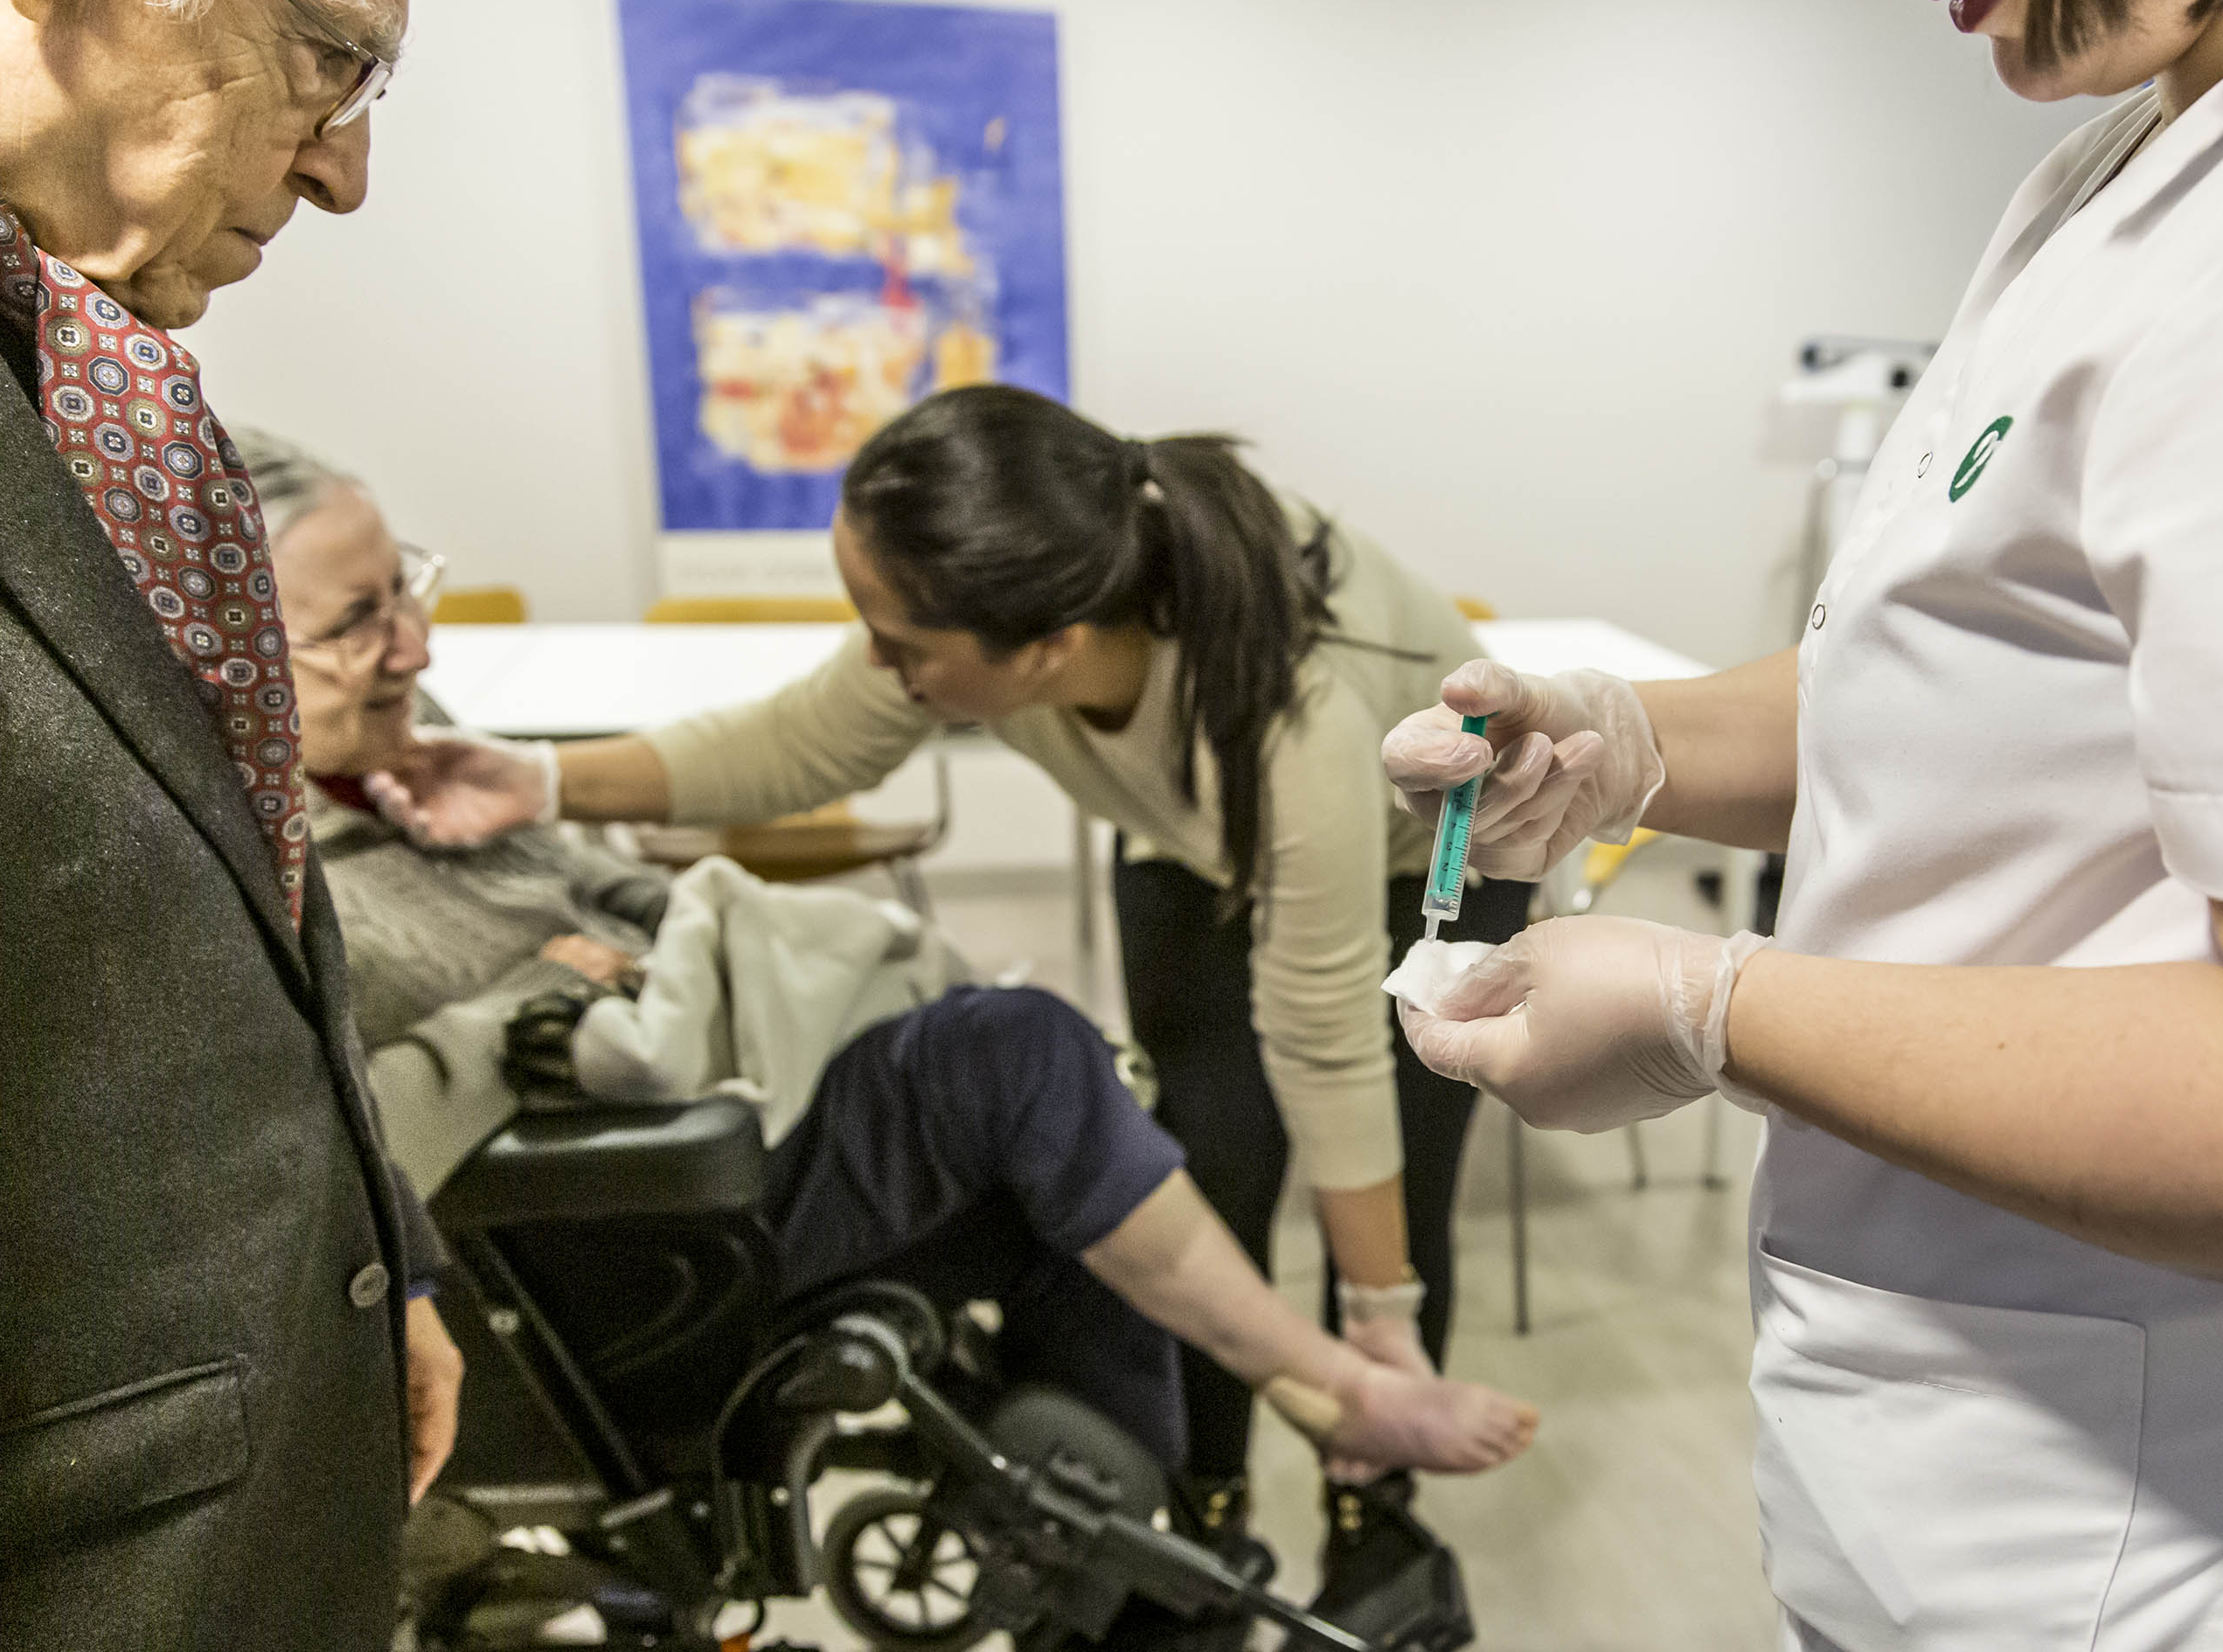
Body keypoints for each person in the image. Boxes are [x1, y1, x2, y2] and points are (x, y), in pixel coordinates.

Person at [1385, 0, 2223, 1647]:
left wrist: (1707, 1006)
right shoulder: (2134, 153)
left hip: (2177, 1519)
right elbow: (1964, 684)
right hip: (1966, 1455)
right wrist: (1628, 745)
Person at [249, 432, 1538, 1503]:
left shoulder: (1297, 717)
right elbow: (796, 747)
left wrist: (1380, 1308)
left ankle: (1290, 1487)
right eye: (359, 619)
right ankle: (1252, 1466)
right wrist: (547, 820)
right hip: (647, 1166)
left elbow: (1322, 1029)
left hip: (1422, 862)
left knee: (1221, 1156)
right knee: (1126, 1116)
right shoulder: (266, 874)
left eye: (401, 593)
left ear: (1041, 653)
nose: (415, 647)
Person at [0, 0, 456, 1649]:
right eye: (331, 58)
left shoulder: (32, 339)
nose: (343, 169)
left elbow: (159, 907)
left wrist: (369, 1251)